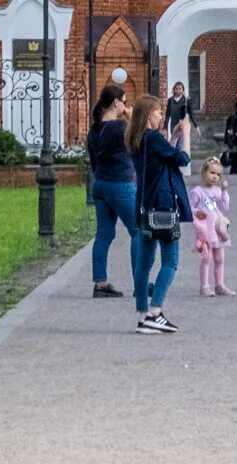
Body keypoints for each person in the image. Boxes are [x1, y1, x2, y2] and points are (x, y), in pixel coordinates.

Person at [128, 93, 191, 333]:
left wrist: (172, 136)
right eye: (156, 112)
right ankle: (156, 311)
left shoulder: (137, 139)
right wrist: (185, 133)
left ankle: (143, 314)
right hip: (163, 205)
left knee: (144, 264)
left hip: (145, 204)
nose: (160, 115)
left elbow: (162, 156)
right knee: (171, 262)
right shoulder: (153, 138)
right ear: (147, 116)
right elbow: (182, 159)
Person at [85, 84, 135, 299]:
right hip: (121, 184)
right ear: (116, 103)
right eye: (124, 101)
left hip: (100, 184)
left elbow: (94, 162)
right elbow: (141, 140)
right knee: (139, 231)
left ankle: (100, 283)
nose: (126, 105)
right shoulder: (119, 127)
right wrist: (132, 118)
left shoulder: (94, 130)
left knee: (104, 234)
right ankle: (140, 283)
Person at [190, 156, 234, 296]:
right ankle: (204, 286)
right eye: (212, 173)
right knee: (206, 258)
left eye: (218, 174)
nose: (215, 177)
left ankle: (219, 284)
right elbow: (189, 208)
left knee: (220, 259)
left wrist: (225, 192)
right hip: (206, 231)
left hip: (218, 230)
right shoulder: (197, 191)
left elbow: (224, 206)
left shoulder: (217, 190)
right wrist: (197, 212)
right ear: (204, 173)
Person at [165, 81, 192, 153]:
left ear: (183, 90)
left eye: (180, 89)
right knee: (174, 141)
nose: (178, 90)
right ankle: (174, 159)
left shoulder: (186, 100)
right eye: (176, 89)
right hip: (173, 124)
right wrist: (165, 128)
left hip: (182, 123)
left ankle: (179, 160)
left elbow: (189, 113)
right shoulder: (170, 100)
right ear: (174, 89)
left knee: (180, 143)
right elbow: (167, 115)